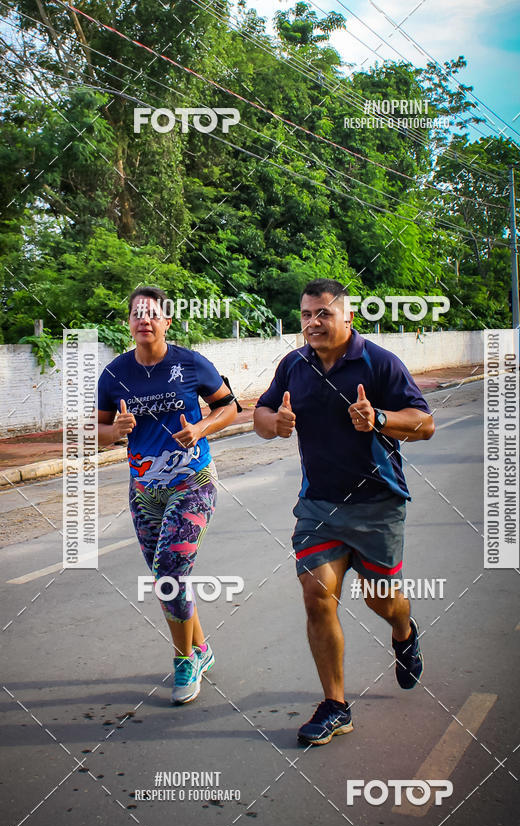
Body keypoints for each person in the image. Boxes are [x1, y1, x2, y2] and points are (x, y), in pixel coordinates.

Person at [254, 279, 435, 745]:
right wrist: (275, 424)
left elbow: (425, 423)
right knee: (317, 595)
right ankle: (336, 705)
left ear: (347, 317)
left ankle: (403, 628)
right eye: (306, 315)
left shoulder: (379, 362)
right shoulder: (293, 365)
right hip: (319, 505)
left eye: (323, 314)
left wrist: (378, 418)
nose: (313, 323)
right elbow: (259, 415)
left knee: (381, 600)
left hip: (378, 506)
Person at [97, 286, 237, 703]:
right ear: (129, 322)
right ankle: (201, 649)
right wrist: (113, 433)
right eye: (137, 313)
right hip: (143, 492)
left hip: (193, 482)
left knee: (171, 570)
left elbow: (230, 407)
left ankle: (183, 661)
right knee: (166, 577)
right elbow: (97, 430)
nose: (145, 320)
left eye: (153, 313)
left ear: (167, 321)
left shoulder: (190, 363)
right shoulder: (114, 374)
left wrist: (201, 429)